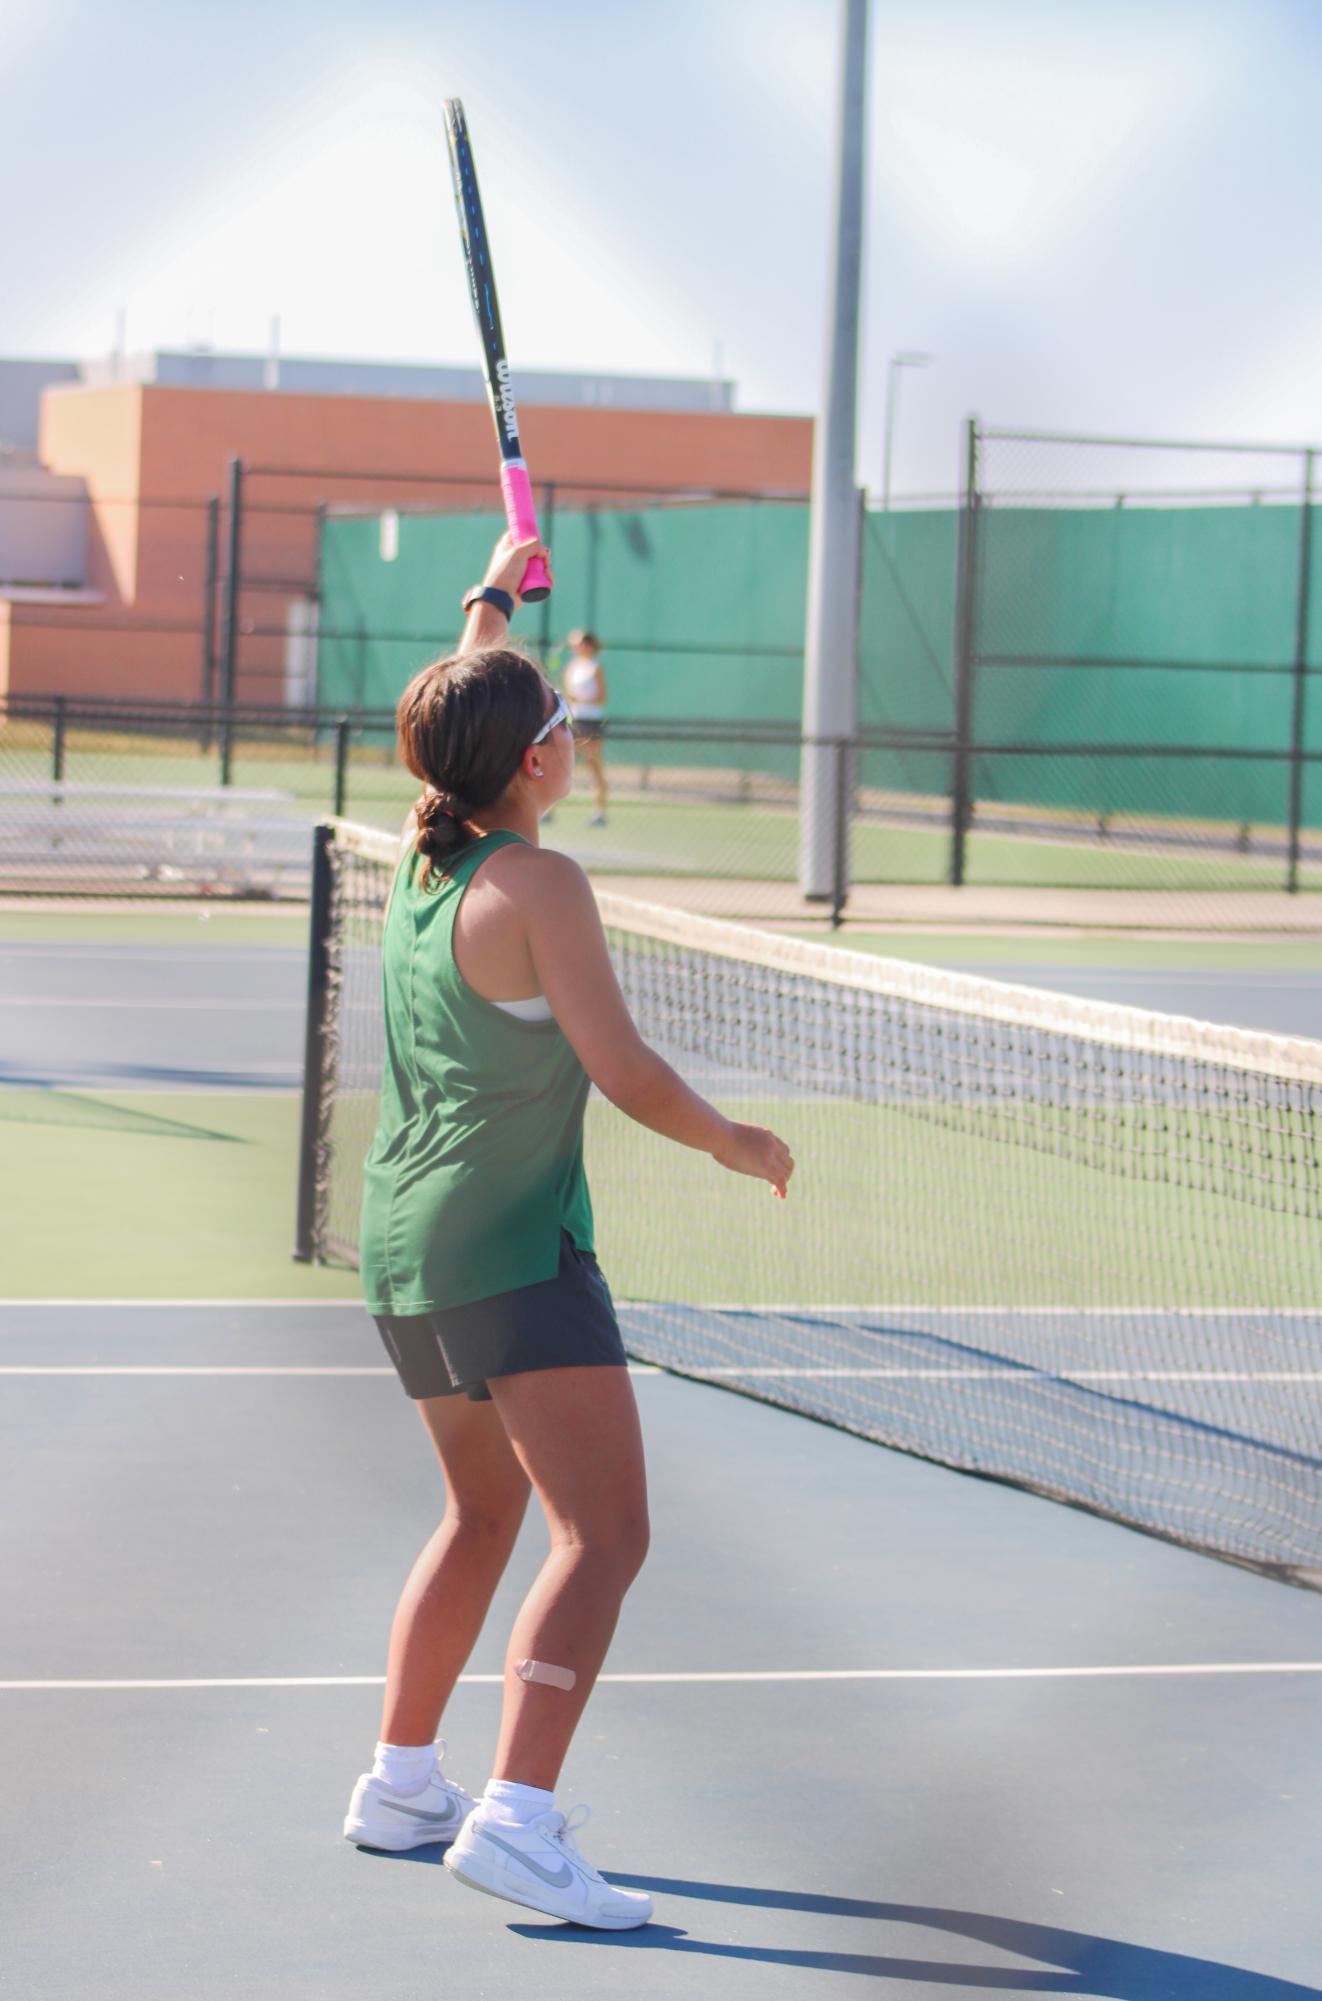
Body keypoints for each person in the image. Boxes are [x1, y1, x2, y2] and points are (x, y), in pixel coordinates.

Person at [341, 530, 794, 1931]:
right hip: (515, 1248)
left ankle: (400, 1781)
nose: (568, 736)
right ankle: (518, 1821)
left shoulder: (425, 855)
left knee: (479, 1514)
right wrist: (735, 1141)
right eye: (563, 726)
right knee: (601, 1536)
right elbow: (628, 1071)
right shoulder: (540, 887)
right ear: (537, 760)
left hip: (403, 1247)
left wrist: (491, 592)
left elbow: (458, 705)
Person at [561, 628, 609, 825]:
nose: (574, 647)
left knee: (593, 764)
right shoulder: (572, 667)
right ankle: (548, 810)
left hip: (591, 721)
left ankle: (599, 811)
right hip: (574, 720)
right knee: (564, 764)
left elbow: (601, 698)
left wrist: (578, 698)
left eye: (578, 643)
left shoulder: (595, 667)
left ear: (588, 645)